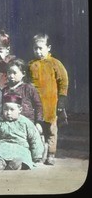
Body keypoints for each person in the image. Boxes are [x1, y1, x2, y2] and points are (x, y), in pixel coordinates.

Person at [28, 33, 69, 165]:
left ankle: (51, 154)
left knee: (51, 130)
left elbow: (64, 82)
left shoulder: (55, 64)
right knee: (38, 129)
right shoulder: (31, 65)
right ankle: (40, 153)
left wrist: (61, 100)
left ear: (48, 47)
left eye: (41, 48)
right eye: (35, 48)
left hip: (51, 104)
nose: (38, 51)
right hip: (36, 104)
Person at [0, 93, 44, 170]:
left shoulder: (26, 122)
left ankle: (16, 165)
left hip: (21, 147)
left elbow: (35, 139)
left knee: (23, 157)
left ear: (20, 110)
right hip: (3, 146)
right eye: (5, 109)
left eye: (12, 110)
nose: (8, 113)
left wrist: (37, 157)